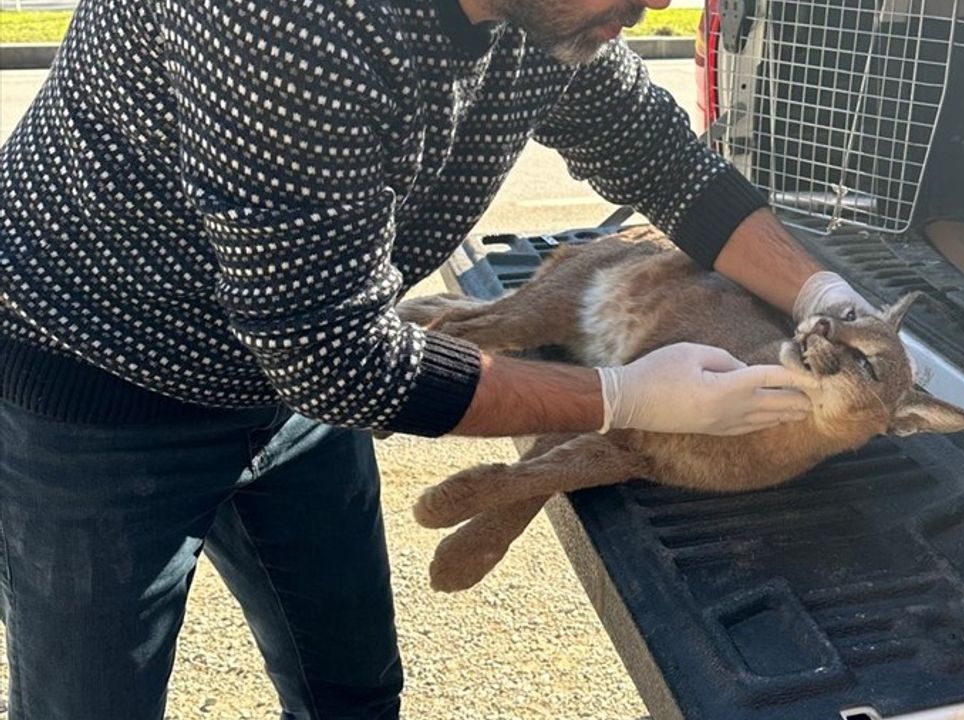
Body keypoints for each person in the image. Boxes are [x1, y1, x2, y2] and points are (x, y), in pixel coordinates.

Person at [0, 0, 867, 717]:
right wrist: (622, 396)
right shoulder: (290, 25)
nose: (648, 10)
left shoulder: (546, 20)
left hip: (291, 387)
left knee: (352, 691)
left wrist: (821, 295)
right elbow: (335, 357)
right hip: (98, 398)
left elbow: (666, 160)